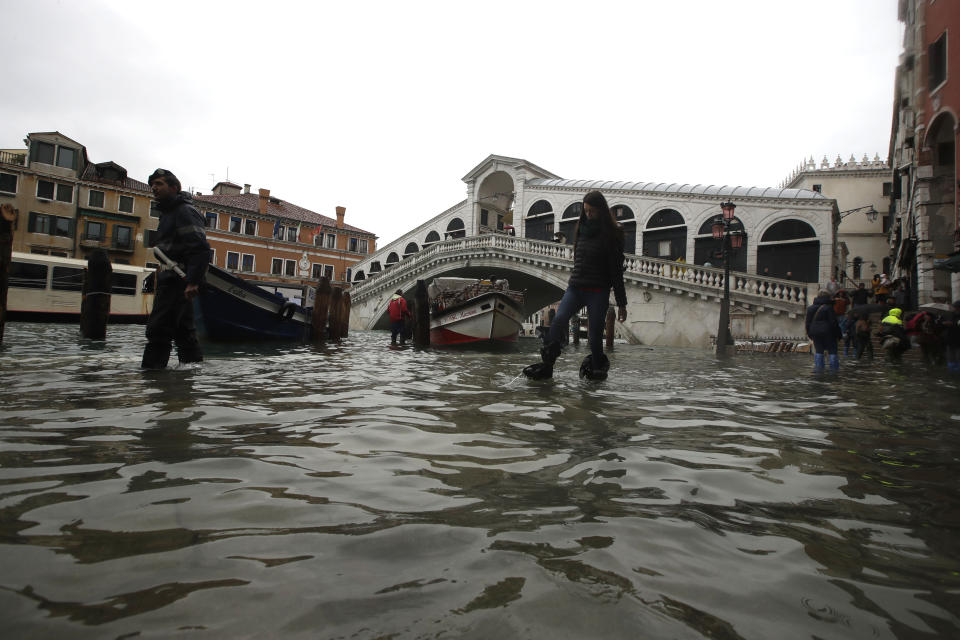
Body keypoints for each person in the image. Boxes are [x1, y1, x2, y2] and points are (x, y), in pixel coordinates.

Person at [523, 190, 627, 380]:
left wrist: (622, 304)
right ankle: (547, 367)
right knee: (558, 321)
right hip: (576, 287)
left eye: (592, 212)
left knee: (595, 335)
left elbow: (616, 272)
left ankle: (596, 372)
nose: (588, 215)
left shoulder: (613, 234)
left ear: (602, 211)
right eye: (586, 211)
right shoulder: (581, 228)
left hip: (598, 291)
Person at [141, 169, 211, 369]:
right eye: (152, 184)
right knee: (183, 330)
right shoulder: (170, 213)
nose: (154, 188)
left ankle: (152, 380)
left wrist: (193, 281)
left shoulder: (184, 212)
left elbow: (200, 249)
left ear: (174, 188)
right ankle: (188, 379)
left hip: (177, 280)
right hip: (173, 278)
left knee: (158, 330)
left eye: (159, 184)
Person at [805, 289, 842, 371]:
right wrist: (839, 335)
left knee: (819, 351)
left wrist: (809, 334)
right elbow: (833, 323)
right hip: (828, 333)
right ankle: (834, 371)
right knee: (832, 351)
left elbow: (807, 323)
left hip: (815, 332)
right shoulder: (829, 308)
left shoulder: (810, 308)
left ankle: (818, 370)